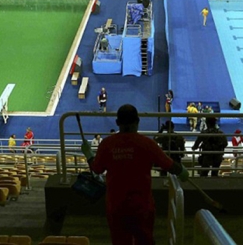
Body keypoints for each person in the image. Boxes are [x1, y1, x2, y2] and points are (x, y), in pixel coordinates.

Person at [81, 104, 189, 245]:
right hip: (142, 206)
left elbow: (97, 169)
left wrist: (89, 154)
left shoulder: (107, 144)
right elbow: (168, 165)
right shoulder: (147, 144)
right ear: (137, 122)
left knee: (120, 241)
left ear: (118, 123)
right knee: (145, 240)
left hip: (116, 205)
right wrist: (181, 171)